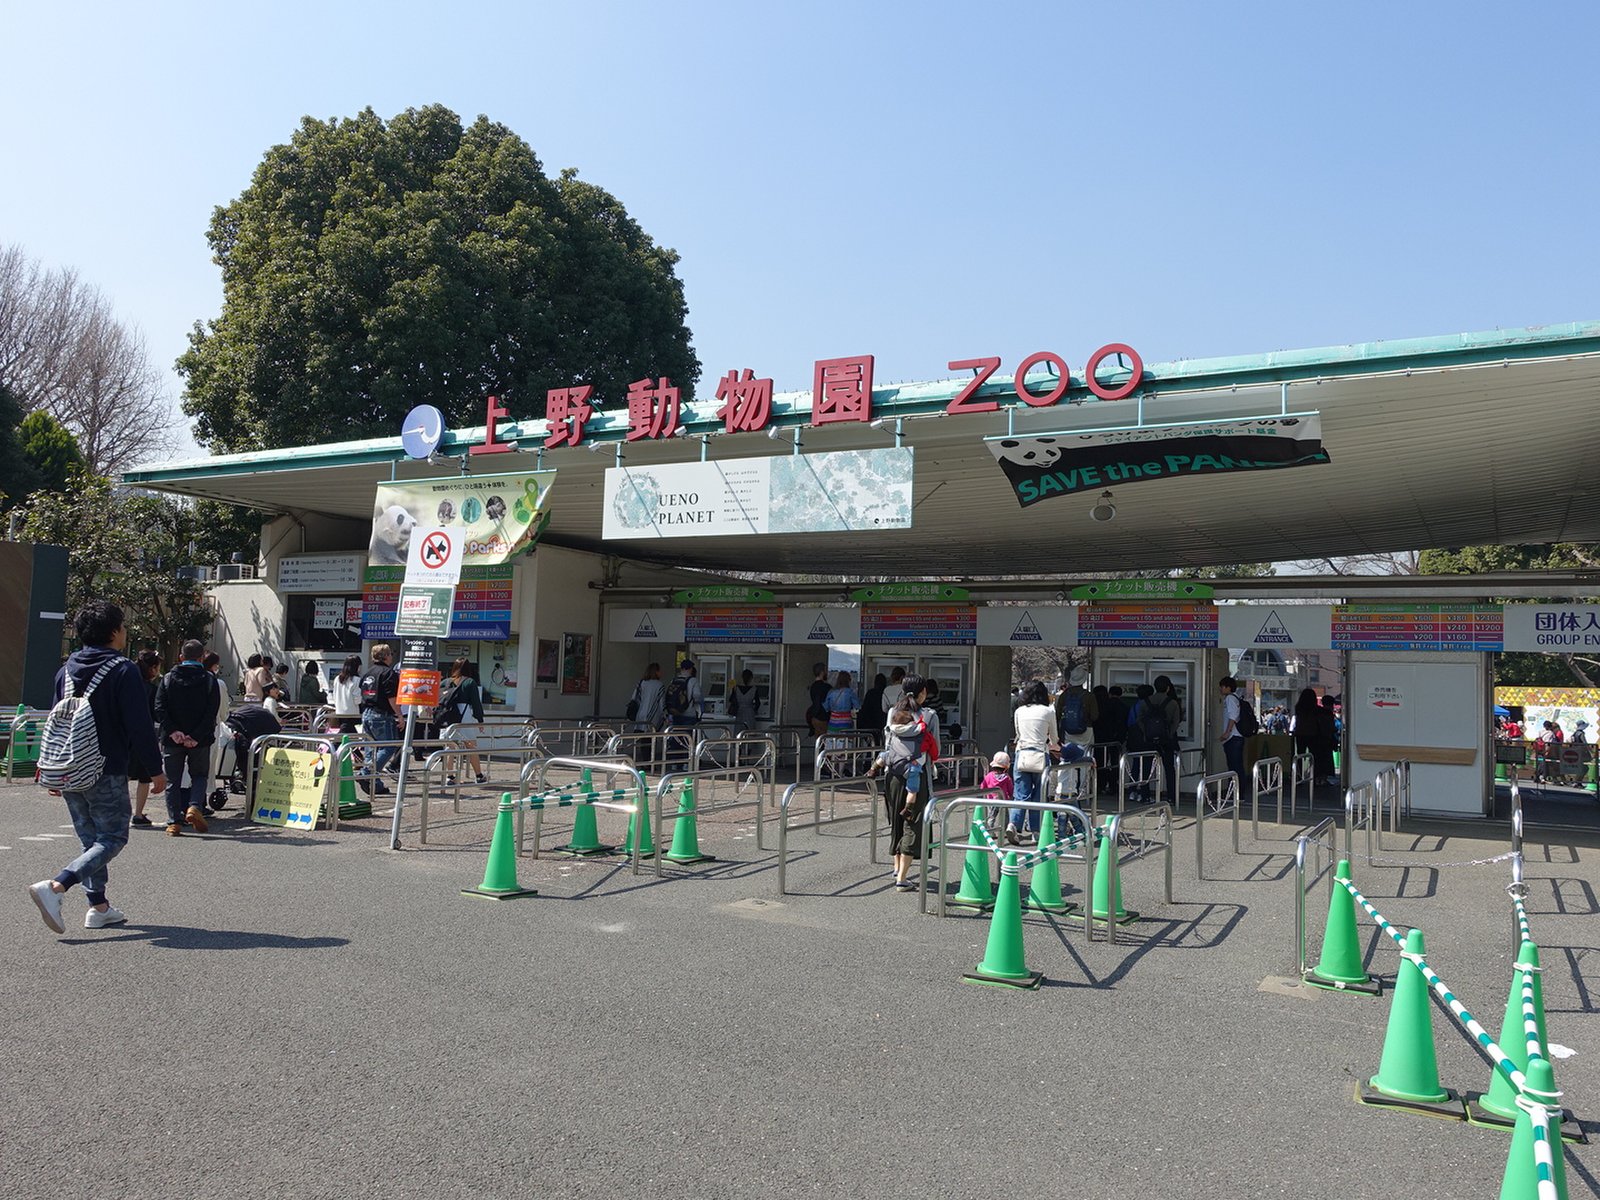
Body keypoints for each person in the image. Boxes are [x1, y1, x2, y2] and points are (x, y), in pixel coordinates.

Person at [27, 600, 166, 934]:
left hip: (69, 765)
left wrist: (50, 766)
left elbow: (55, 720)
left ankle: (99, 906)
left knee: (91, 840)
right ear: (115, 632)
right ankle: (57, 886)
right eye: (123, 627)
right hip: (106, 767)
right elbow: (139, 724)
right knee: (113, 837)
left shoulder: (66, 670)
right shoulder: (122, 669)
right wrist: (155, 768)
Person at [153, 638, 223, 837]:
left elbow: (159, 708)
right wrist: (195, 735)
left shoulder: (167, 678)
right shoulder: (210, 680)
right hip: (199, 739)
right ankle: (194, 807)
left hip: (172, 739)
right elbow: (211, 711)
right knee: (199, 775)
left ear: (181, 657)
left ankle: (174, 822)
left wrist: (174, 731)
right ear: (202, 658)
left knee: (172, 780)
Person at [881, 673, 938, 891]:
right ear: (923, 692)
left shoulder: (893, 713)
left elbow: (887, 741)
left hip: (893, 772)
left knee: (896, 818)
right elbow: (936, 748)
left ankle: (896, 868)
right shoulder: (929, 715)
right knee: (912, 823)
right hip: (917, 772)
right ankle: (902, 878)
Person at [1008, 679, 1059, 844]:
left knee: (1020, 794)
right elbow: (1054, 738)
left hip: (1022, 754)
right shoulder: (1048, 711)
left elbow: (1018, 734)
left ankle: (1013, 825)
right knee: (1038, 795)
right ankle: (1036, 831)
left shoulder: (1019, 711)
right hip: (1040, 755)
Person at [358, 644, 399, 793]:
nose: (392, 656)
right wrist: (399, 715)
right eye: (391, 654)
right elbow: (391, 697)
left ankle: (375, 785)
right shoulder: (388, 673)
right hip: (382, 714)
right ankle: (366, 775)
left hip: (366, 713)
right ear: (386, 656)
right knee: (389, 746)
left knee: (370, 749)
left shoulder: (368, 673)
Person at [440, 658, 487, 785]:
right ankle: (479, 775)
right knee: (471, 746)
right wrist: (480, 720)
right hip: (463, 715)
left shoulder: (445, 682)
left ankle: (450, 776)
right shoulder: (469, 682)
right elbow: (476, 703)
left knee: (450, 747)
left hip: (447, 715)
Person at [130, 650, 162, 826]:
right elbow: (156, 715)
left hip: (125, 736)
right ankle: (138, 814)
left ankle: (117, 811)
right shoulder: (152, 689)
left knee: (123, 775)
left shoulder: (130, 684)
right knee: (144, 778)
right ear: (153, 668)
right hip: (145, 735)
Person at [1218, 675, 1245, 783]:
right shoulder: (1235, 698)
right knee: (1236, 766)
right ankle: (1238, 793)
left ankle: (1237, 793)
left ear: (1228, 687)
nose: (1221, 688)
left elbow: (1232, 717)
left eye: (1222, 686)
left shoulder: (1230, 698)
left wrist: (1226, 733)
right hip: (1236, 737)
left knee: (1234, 767)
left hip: (1233, 737)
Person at [329, 655, 363, 733]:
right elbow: (357, 700)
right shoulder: (357, 680)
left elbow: (334, 695)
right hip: (353, 714)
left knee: (344, 734)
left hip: (340, 712)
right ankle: (335, 745)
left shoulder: (337, 679)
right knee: (351, 737)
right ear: (357, 666)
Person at [662, 660, 702, 726]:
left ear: (681, 668)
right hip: (689, 714)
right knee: (688, 735)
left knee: (676, 734)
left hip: (675, 712)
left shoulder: (674, 680)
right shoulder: (693, 681)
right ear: (691, 669)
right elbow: (697, 696)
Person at [630, 662, 666, 732]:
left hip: (640, 715)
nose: (661, 673)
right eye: (660, 671)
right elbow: (662, 704)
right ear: (656, 672)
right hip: (653, 718)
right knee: (650, 739)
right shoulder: (659, 685)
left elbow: (634, 698)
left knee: (638, 738)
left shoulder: (641, 683)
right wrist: (665, 716)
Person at [1317, 695, 1340, 786]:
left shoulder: (1318, 712)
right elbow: (1331, 727)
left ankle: (1318, 779)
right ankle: (1323, 779)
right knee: (1326, 759)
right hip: (1327, 739)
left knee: (1319, 759)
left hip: (1317, 739)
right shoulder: (1328, 713)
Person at [806, 662, 830, 737]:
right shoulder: (826, 687)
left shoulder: (813, 686)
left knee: (819, 740)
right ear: (822, 672)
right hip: (824, 717)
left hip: (815, 717)